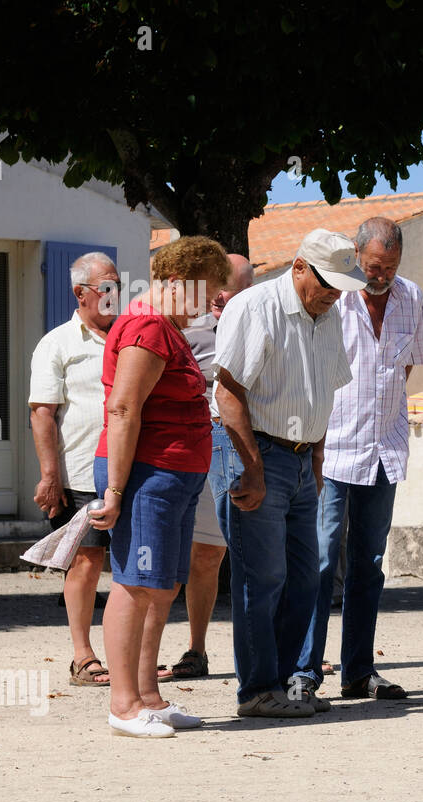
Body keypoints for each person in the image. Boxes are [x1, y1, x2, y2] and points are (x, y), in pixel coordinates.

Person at [209, 229, 361, 718]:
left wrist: (315, 461)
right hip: (257, 454)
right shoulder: (254, 308)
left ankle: (287, 684)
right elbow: (228, 390)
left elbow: (324, 393)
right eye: (328, 284)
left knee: (305, 578)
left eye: (341, 286)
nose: (335, 294)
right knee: (262, 578)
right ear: (299, 267)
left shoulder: (329, 313)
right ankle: (256, 691)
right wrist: (251, 468)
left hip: (301, 461)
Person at [88, 237, 231, 737]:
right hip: (147, 474)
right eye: (208, 292)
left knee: (161, 585)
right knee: (134, 585)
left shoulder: (166, 328)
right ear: (177, 284)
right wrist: (115, 493)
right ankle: (123, 703)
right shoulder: (148, 326)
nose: (212, 304)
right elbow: (123, 409)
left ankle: (147, 694)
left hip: (173, 477)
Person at [293, 217, 423, 702]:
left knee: (370, 564)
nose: (381, 275)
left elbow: (409, 364)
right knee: (322, 561)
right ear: (356, 255)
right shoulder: (336, 294)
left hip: (384, 447)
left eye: (390, 266)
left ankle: (358, 672)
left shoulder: (411, 296)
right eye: (373, 266)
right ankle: (304, 670)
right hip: (331, 449)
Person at [160, 253, 255, 680]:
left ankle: (276, 652)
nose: (219, 297)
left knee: (241, 554)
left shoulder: (261, 327)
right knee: (192, 554)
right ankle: (193, 650)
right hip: (193, 443)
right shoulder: (182, 327)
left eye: (229, 289)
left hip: (241, 444)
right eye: (216, 288)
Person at [29, 251, 120, 687]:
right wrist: (50, 476)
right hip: (83, 473)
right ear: (80, 293)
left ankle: (131, 657)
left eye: (117, 286)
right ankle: (83, 656)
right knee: (85, 563)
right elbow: (42, 413)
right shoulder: (57, 343)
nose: (113, 295)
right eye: (106, 287)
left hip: (131, 471)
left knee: (133, 565)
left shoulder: (130, 337)